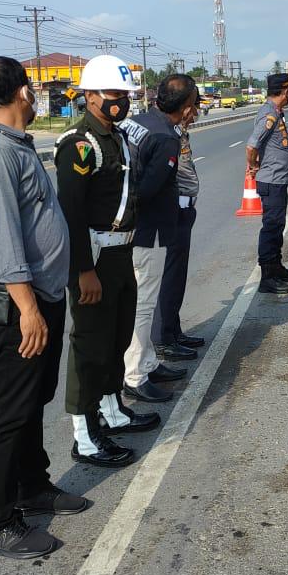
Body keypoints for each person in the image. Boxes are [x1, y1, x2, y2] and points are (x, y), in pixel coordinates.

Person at [0, 57, 86, 560]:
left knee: (33, 399)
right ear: (22, 93)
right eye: (31, 91)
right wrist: (28, 309)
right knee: (8, 412)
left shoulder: (16, 147)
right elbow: (4, 241)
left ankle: (32, 487)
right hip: (15, 304)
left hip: (39, 297)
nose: (34, 98)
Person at [56, 54, 159, 470]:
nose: (123, 102)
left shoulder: (116, 138)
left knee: (117, 336)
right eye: (115, 94)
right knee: (89, 344)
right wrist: (83, 270)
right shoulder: (78, 144)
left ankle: (112, 410)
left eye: (126, 95)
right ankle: (84, 434)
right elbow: (71, 213)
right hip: (94, 256)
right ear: (90, 96)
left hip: (121, 251)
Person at [119, 74, 195, 411]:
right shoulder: (167, 138)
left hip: (132, 229)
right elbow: (146, 190)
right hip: (147, 232)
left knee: (142, 301)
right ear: (188, 106)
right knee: (143, 304)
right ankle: (135, 375)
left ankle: (148, 362)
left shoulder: (138, 122)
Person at [153, 91, 207, 357]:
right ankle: (162, 339)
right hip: (172, 212)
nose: (197, 114)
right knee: (169, 278)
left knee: (178, 276)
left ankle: (173, 330)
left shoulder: (178, 131)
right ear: (186, 109)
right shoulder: (164, 134)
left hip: (184, 211)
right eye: (195, 108)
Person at [246, 73, 288, 294]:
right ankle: (267, 277)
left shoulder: (275, 112)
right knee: (271, 227)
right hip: (271, 180)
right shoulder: (268, 114)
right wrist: (252, 166)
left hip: (277, 179)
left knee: (277, 226)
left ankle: (276, 267)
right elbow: (251, 146)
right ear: (285, 91)